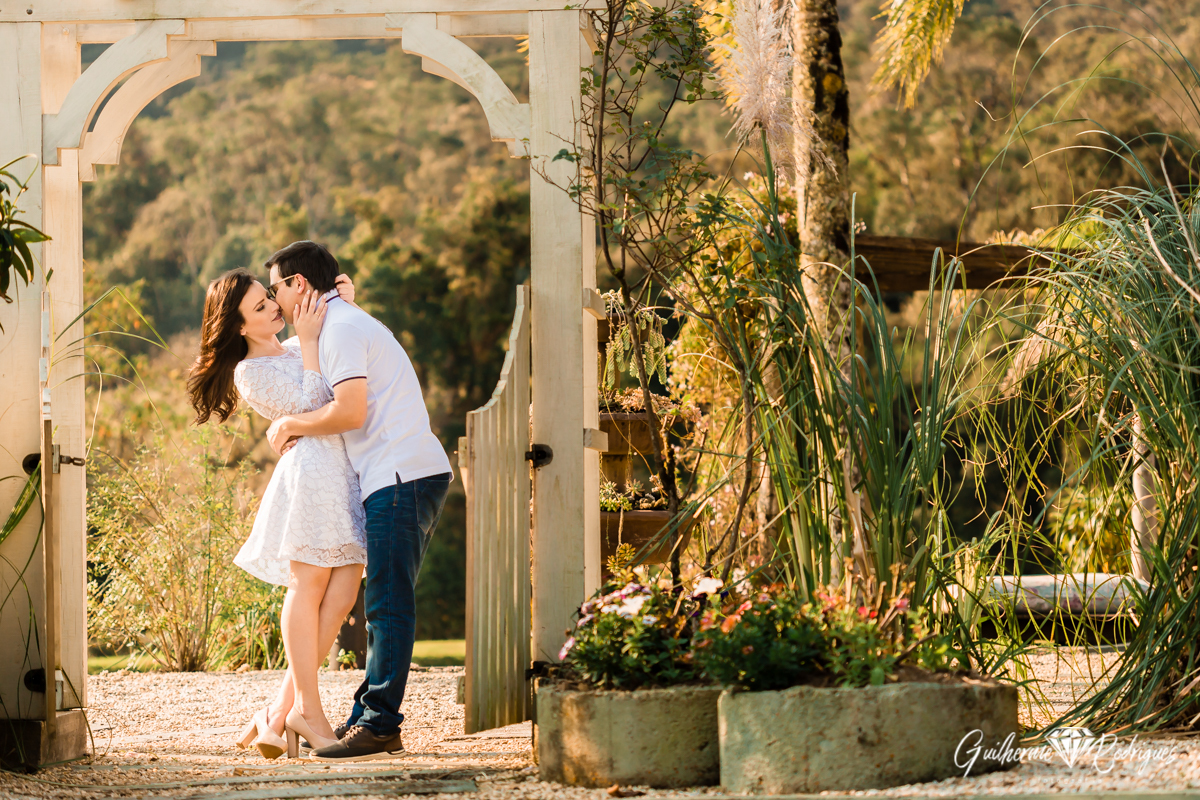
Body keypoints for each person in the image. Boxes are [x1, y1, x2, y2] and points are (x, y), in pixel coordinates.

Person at [263, 240, 453, 762]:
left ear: (299, 284)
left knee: (387, 604)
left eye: (276, 289)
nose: (275, 301)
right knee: (385, 601)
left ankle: (379, 725)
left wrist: (290, 423)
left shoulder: (342, 329)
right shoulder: (342, 322)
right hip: (402, 473)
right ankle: (366, 716)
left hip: (400, 475)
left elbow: (350, 411)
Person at [187, 268, 365, 760]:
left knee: (344, 592)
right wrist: (308, 341)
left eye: (269, 298)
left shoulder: (294, 347)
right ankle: (308, 709)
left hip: (344, 473)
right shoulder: (249, 372)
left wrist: (344, 305)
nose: (272, 307)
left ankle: (277, 711)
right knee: (308, 586)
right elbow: (314, 402)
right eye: (259, 307)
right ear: (239, 325)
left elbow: (345, 376)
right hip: (311, 477)